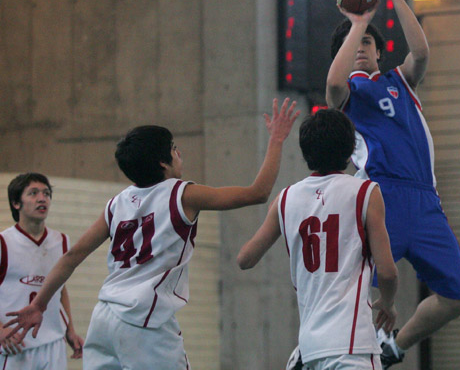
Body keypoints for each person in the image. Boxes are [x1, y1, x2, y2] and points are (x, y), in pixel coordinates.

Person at [4, 98, 299, 369]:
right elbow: (258, 193)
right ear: (162, 162)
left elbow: (72, 256)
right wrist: (276, 140)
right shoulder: (183, 194)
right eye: (174, 148)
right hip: (143, 322)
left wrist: (39, 304)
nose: (179, 153)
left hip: (103, 319)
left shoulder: (116, 203)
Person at [325, 0, 460, 368]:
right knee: (352, 293)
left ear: (379, 51)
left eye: (366, 43)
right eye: (352, 45)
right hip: (382, 196)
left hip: (426, 201)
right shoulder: (348, 93)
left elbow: (421, 51)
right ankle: (321, 349)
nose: (359, 48)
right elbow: (333, 83)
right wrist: (357, 23)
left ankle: (394, 346)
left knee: (456, 297)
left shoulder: (400, 81)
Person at [237, 109, 398, 370]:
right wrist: (388, 303)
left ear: (305, 152)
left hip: (310, 349)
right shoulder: (365, 192)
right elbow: (388, 272)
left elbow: (245, 259)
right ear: (350, 150)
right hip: (351, 346)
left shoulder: (285, 199)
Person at [0, 172, 84, 370]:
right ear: (16, 203)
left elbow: (60, 289)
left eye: (46, 193)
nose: (42, 198)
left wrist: (70, 330)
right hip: (14, 343)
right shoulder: (3, 242)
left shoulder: (61, 241)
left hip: (53, 343)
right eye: (33, 193)